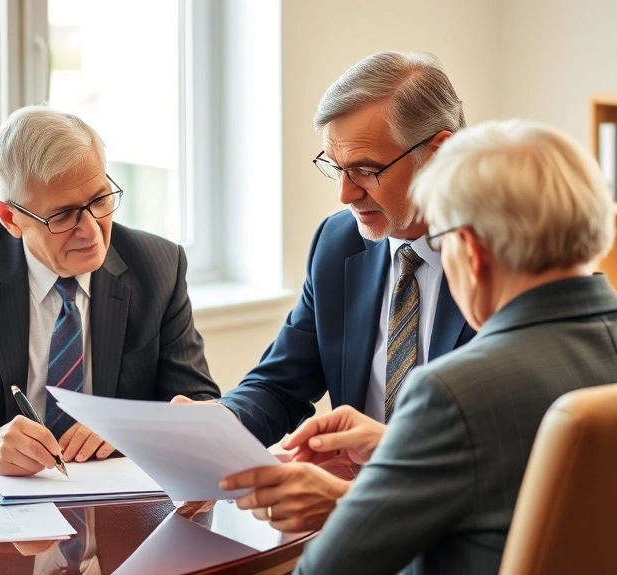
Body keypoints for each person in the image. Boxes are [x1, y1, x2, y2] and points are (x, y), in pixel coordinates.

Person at [284, 119, 617, 575]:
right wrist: (397, 459)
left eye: (441, 241)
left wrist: (361, 498)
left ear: (472, 253)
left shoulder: (456, 391)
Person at [180, 51, 476, 531]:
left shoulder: (504, 258)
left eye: (365, 169)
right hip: (354, 536)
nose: (345, 193)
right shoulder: (338, 243)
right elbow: (281, 382)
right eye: (334, 166)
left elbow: (507, 444)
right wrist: (218, 425)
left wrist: (362, 492)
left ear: (439, 153)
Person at [0, 106, 220, 476]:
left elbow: (201, 407)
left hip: (120, 510)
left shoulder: (157, 267)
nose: (91, 230)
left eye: (100, 200)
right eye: (64, 215)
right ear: (10, 218)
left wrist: (129, 428)